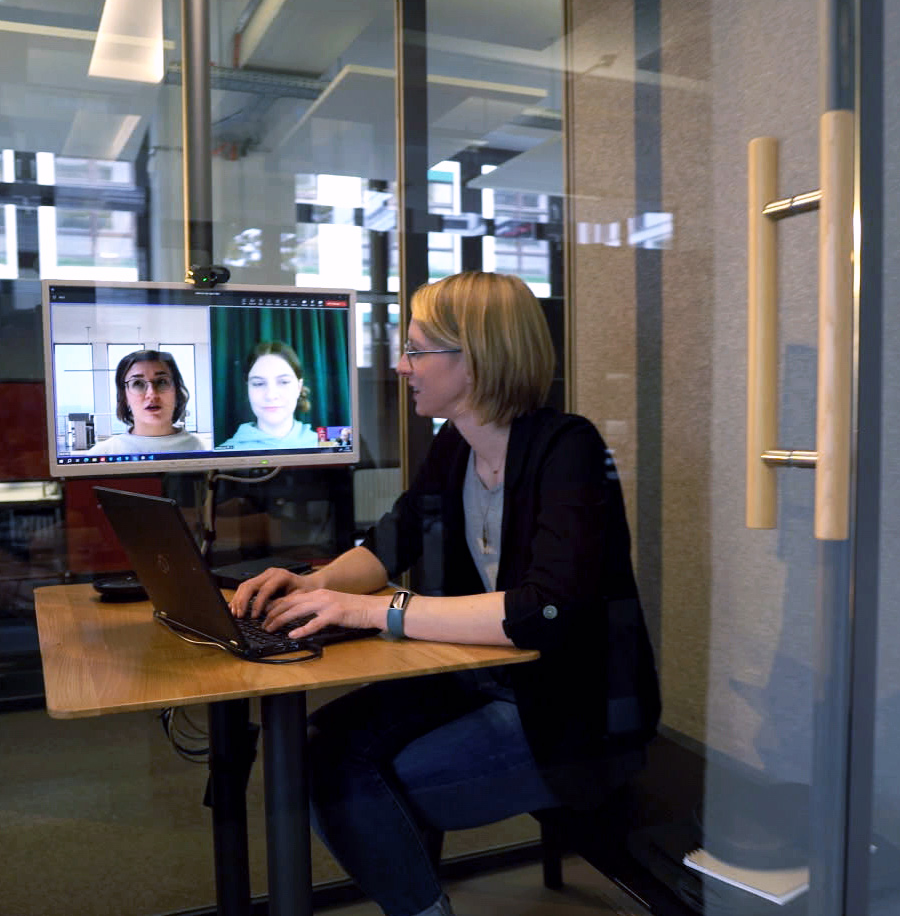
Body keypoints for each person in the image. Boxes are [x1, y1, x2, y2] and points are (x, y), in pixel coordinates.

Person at [230, 271, 661, 916]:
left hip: (571, 715)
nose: (402, 366)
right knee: (314, 748)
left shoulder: (568, 448)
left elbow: (540, 609)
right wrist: (314, 584)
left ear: (478, 356)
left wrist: (377, 611)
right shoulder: (453, 447)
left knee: (345, 785)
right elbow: (389, 545)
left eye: (417, 350)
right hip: (479, 680)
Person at [89, 350, 205, 454]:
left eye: (162, 382)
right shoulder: (103, 454)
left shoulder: (201, 449)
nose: (152, 394)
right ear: (124, 397)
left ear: (177, 392)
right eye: (138, 383)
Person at [216, 340, 319, 450]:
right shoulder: (220, 457)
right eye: (258, 384)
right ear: (248, 388)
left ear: (299, 387)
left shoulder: (328, 448)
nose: (270, 395)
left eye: (283, 382)